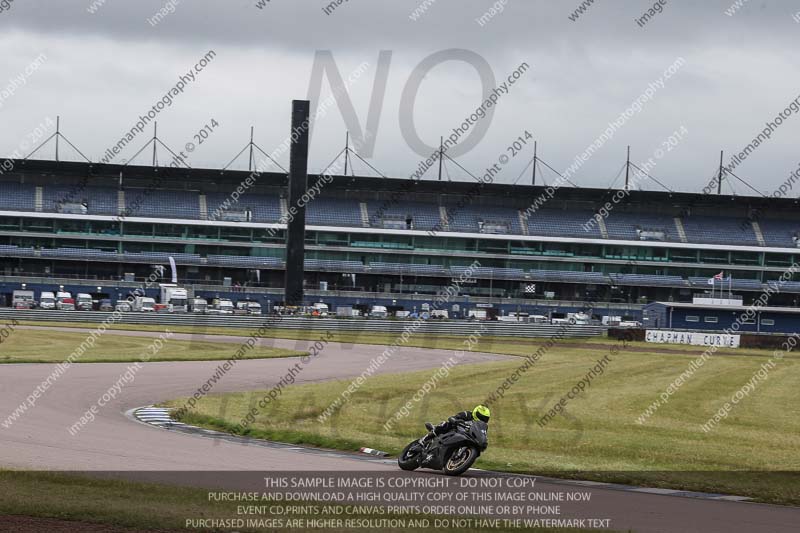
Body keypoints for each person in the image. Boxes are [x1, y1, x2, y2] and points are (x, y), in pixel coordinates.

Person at [419, 405, 490, 446]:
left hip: (467, 438)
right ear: (476, 412)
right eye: (481, 416)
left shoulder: (483, 426)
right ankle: (426, 438)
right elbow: (452, 417)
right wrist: (456, 421)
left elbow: (482, 435)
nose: (482, 419)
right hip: (455, 430)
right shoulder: (467, 414)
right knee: (445, 424)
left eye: (485, 418)